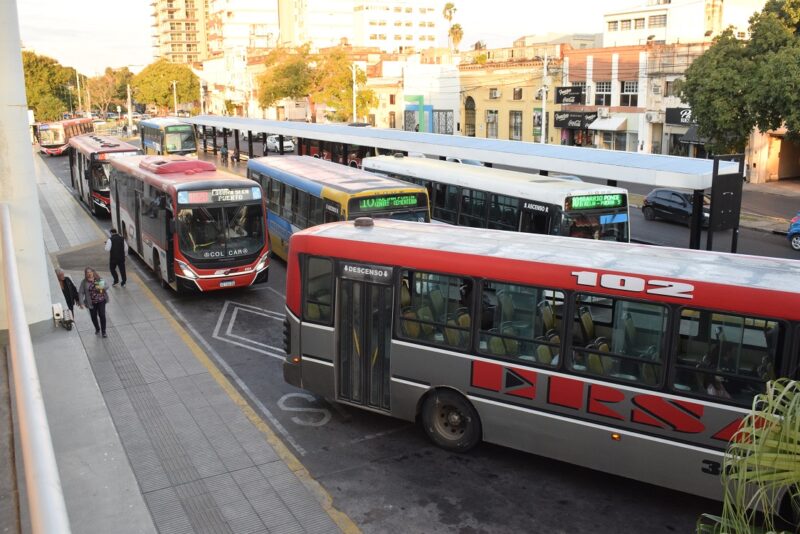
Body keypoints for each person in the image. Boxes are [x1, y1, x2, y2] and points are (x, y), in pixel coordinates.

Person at [78, 267, 110, 337]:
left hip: (101, 300)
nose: (89, 274)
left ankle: (104, 331)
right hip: (91, 302)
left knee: (102, 315)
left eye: (90, 272)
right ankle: (97, 328)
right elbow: (81, 292)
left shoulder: (98, 279)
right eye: (87, 273)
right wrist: (81, 303)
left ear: (93, 272)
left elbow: (107, 285)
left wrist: (101, 288)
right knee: (93, 316)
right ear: (85, 274)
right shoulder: (84, 282)